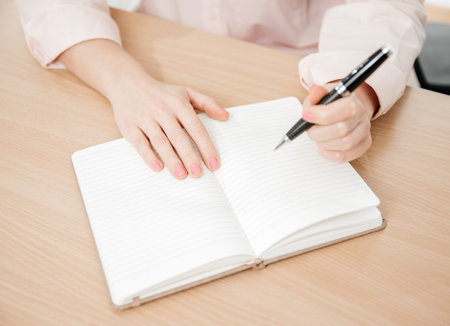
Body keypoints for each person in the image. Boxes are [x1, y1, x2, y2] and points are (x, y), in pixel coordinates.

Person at [15, 0, 426, 179]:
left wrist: (352, 93)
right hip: (153, 53)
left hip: (311, 65)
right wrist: (126, 84)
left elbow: (385, 8)